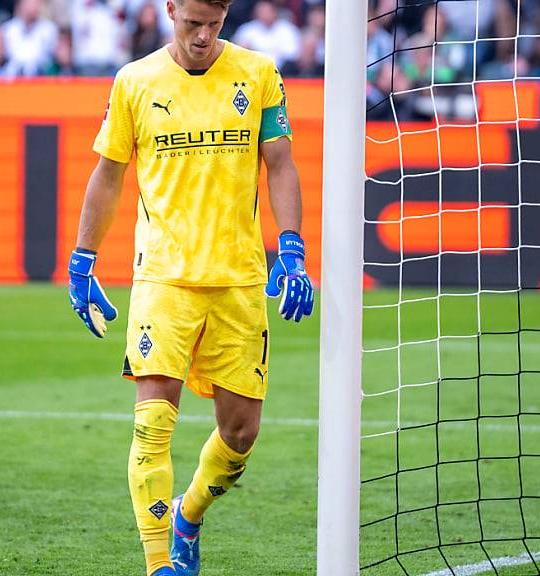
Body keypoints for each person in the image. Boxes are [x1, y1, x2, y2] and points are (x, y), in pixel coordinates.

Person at [66, 0, 314, 575]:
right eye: (192, 22)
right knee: (151, 425)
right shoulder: (135, 81)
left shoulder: (259, 74)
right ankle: (159, 566)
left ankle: (189, 515)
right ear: (170, 8)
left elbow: (279, 163)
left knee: (240, 435)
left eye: (214, 24)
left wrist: (293, 247)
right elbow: (109, 172)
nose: (202, 36)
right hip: (164, 278)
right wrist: (83, 259)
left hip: (239, 280)